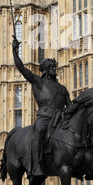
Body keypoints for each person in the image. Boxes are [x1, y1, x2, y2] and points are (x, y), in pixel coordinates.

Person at [12, 36, 71, 176]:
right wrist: (15, 51)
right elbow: (21, 69)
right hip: (44, 118)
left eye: (54, 67)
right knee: (38, 131)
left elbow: (70, 106)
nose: (53, 69)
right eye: (50, 67)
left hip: (60, 120)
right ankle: (37, 164)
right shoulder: (38, 82)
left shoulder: (62, 88)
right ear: (45, 69)